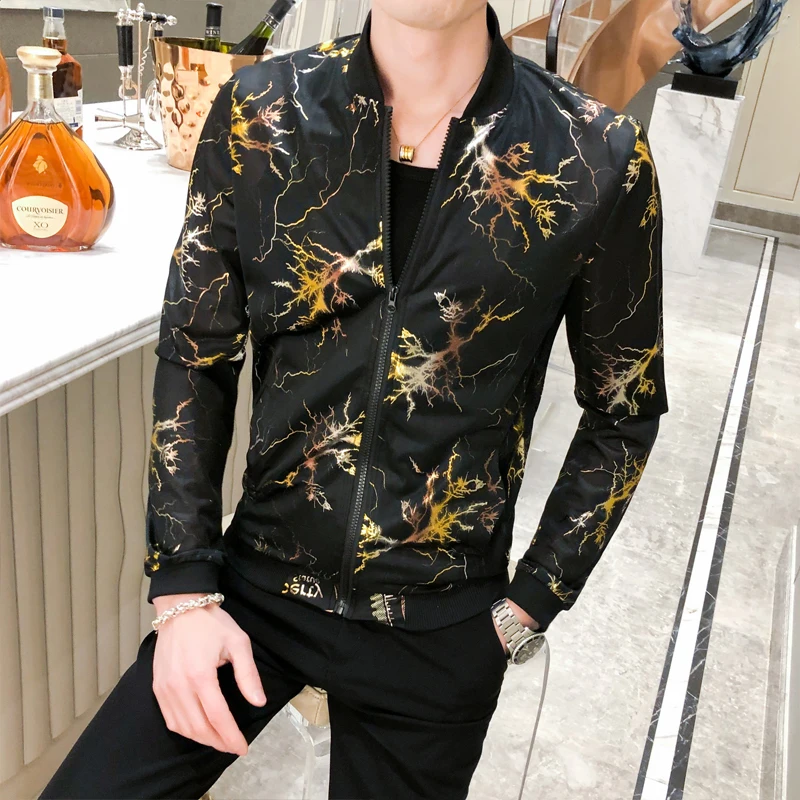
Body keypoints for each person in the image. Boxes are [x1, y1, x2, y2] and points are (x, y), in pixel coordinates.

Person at [40, 1, 668, 798]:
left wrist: (532, 602)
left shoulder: (595, 154)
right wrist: (183, 590)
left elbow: (625, 408)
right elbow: (197, 353)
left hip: (441, 623)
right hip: (259, 583)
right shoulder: (264, 112)